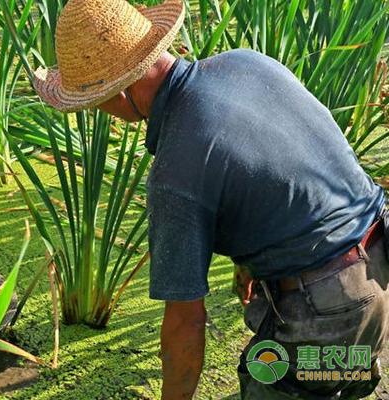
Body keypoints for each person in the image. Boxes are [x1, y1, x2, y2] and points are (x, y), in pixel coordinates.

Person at [32, 0, 389, 398]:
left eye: (94, 102)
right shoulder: (247, 62)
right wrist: (253, 259)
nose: (100, 112)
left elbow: (186, 323)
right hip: (378, 269)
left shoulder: (175, 171)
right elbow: (283, 169)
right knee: (337, 385)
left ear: (120, 92)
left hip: (330, 306)